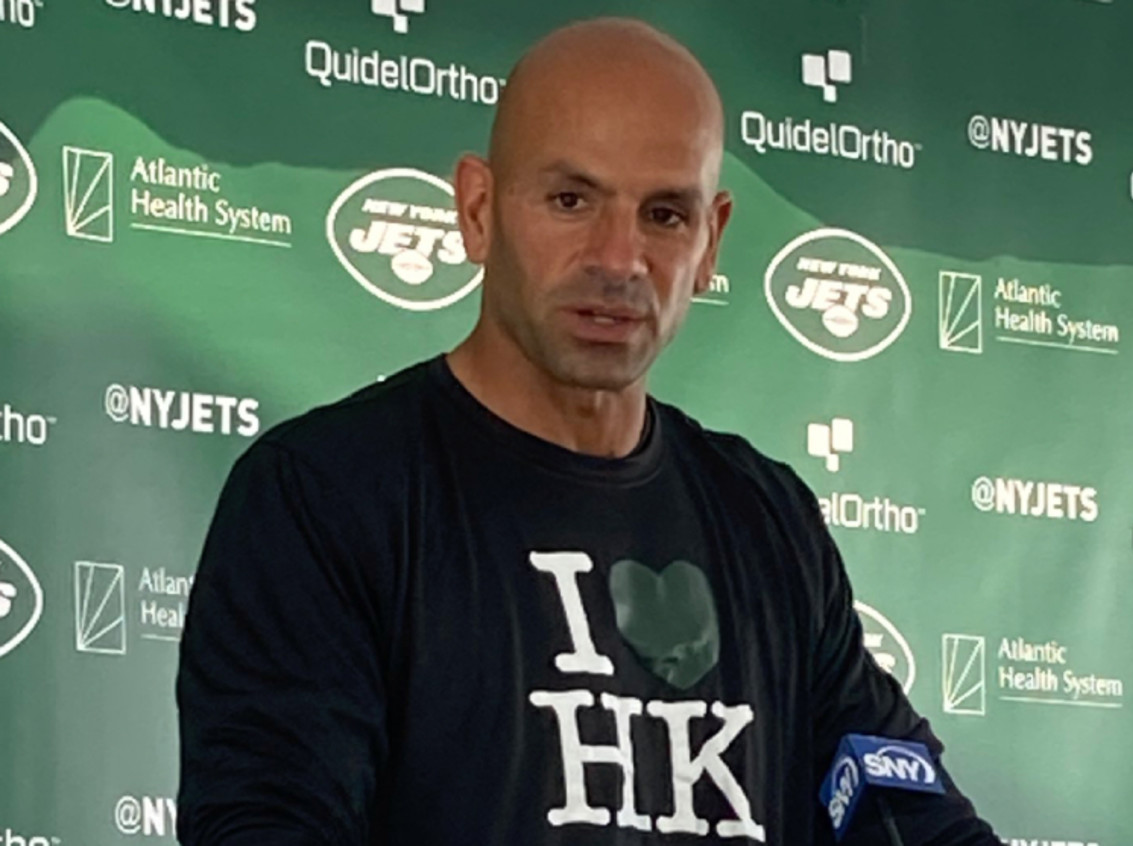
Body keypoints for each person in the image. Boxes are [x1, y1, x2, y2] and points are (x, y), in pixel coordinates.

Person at [177, 17, 1002, 846]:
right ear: (477, 209)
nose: (619, 258)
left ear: (711, 241)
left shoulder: (769, 520)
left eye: (665, 215)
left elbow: (905, 811)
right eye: (571, 200)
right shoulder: (324, 496)